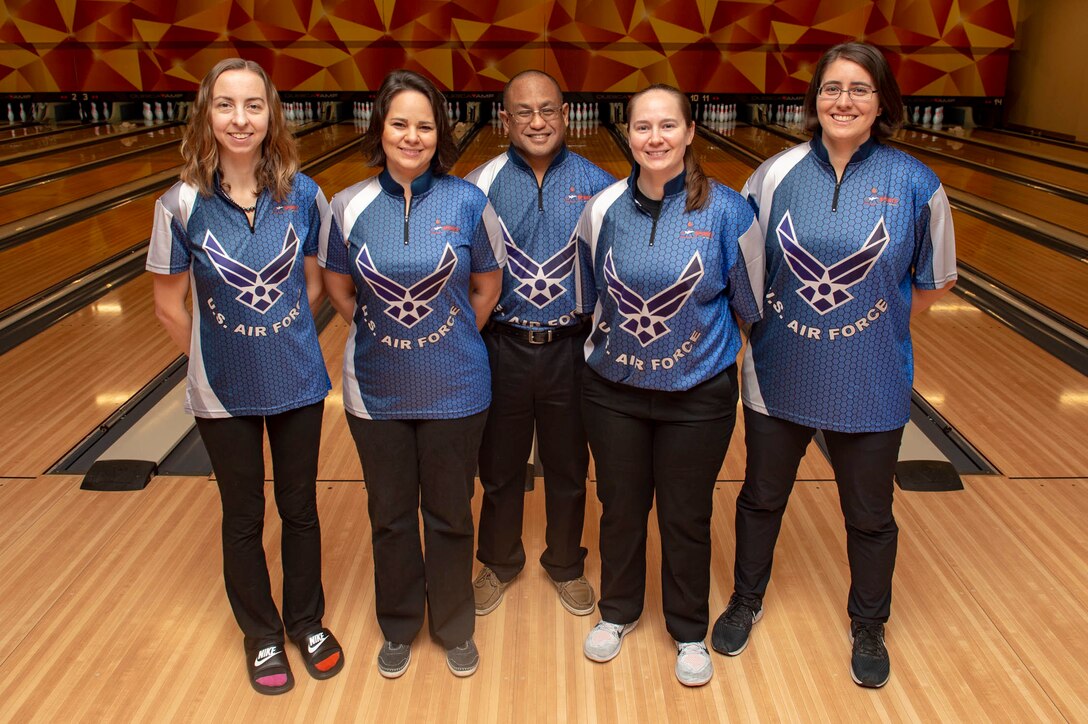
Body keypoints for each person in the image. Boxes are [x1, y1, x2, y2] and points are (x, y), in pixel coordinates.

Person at [711, 42, 957, 689]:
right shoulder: (770, 174)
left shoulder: (915, 183)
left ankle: (868, 623)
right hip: (779, 370)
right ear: (814, 98)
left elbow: (931, 284)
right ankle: (746, 599)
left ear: (882, 102)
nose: (843, 100)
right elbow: (746, 270)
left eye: (859, 89)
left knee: (871, 515)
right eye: (831, 88)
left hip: (870, 379)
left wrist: (879, 327)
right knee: (761, 499)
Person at [147, 58, 343, 696]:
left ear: (271, 113)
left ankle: (305, 621)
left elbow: (312, 283)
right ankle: (261, 635)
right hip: (221, 389)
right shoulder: (179, 204)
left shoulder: (304, 195)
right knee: (242, 514)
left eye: (252, 105)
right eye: (226, 105)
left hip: (297, 381)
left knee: (300, 507)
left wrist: (279, 341)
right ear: (207, 112)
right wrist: (218, 353)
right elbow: (168, 305)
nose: (240, 119)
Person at [573, 84, 763, 686]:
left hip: (699, 395)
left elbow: (751, 305)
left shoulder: (731, 211)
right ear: (628, 135)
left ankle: (687, 630)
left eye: (667, 126)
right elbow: (587, 298)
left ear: (689, 133)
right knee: (621, 507)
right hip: (613, 391)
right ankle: (618, 613)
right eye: (642, 127)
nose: (654, 138)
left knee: (685, 513)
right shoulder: (602, 209)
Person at [320, 69, 506, 679]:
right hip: (376, 391)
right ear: (381, 127)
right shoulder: (348, 206)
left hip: (457, 387)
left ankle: (453, 625)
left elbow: (486, 288)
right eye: (400, 123)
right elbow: (338, 287)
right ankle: (399, 625)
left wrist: (447, 338)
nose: (412, 135)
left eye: (424, 125)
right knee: (391, 513)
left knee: (451, 513)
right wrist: (381, 332)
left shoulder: (470, 202)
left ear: (440, 133)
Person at [463, 70, 615, 618]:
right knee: (499, 465)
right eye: (524, 112)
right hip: (502, 344)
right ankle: (499, 562)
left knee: (569, 465)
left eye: (547, 109)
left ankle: (566, 564)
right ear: (506, 120)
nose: (537, 121)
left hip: (572, 348)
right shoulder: (477, 185)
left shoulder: (601, 184)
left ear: (566, 113)